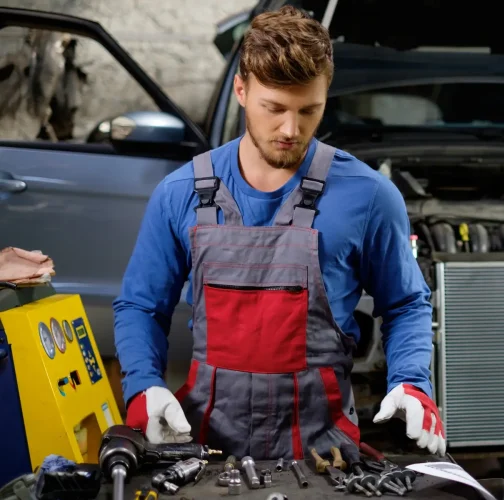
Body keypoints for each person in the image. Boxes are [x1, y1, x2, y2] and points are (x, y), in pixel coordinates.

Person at [112, 6, 446, 460]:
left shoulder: (368, 196)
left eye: (310, 110)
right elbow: (140, 305)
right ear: (242, 90)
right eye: (274, 108)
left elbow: (406, 303)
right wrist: (143, 385)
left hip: (326, 455)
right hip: (204, 452)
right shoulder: (180, 193)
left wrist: (411, 381)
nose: (291, 129)